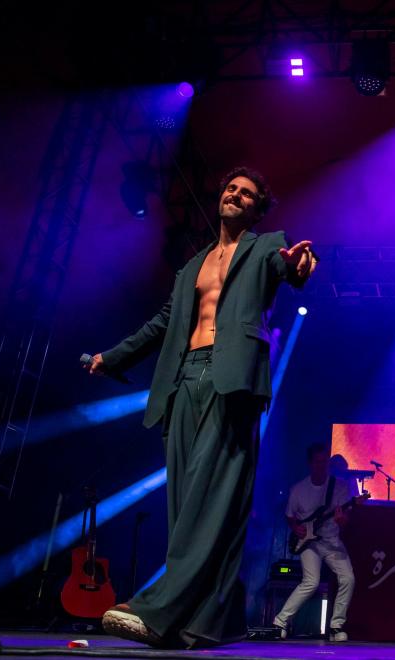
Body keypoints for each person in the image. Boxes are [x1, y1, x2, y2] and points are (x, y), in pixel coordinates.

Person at [87, 166, 317, 648]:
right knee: (186, 502)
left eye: (247, 193)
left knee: (209, 501)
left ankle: (160, 605)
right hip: (183, 380)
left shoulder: (265, 246)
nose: (235, 195)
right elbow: (161, 324)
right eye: (230, 189)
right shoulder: (191, 268)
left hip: (230, 380)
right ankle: (207, 619)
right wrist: (113, 358)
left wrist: (296, 269)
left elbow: (287, 268)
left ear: (257, 208)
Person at [270, 443, 357, 642]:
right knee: (311, 582)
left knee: (348, 578)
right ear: (310, 463)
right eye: (318, 462)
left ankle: (336, 626)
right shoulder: (298, 489)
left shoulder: (340, 487)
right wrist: (296, 528)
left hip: (332, 541)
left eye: (324, 461)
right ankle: (280, 622)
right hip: (308, 543)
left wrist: (341, 520)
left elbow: (346, 520)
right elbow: (290, 516)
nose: (321, 465)